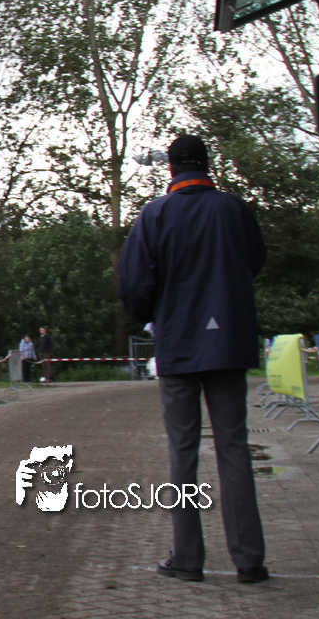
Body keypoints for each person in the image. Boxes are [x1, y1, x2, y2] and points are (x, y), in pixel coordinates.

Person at [118, 134, 269, 585]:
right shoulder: (233, 209)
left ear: (170, 168)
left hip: (179, 343)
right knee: (233, 446)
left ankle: (188, 557)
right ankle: (249, 559)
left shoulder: (155, 214)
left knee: (183, 450)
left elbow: (134, 281)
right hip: (229, 343)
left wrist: (153, 315)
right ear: (207, 164)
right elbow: (255, 260)